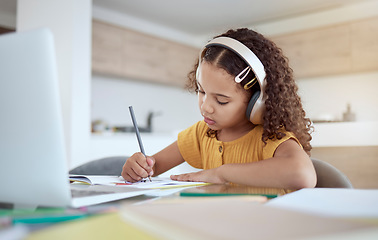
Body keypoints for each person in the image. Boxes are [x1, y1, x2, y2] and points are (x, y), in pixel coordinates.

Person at [121, 28, 317, 191]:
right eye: (201, 91)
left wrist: (221, 173)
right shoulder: (202, 134)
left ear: (258, 101)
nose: (205, 106)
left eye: (222, 100)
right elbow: (153, 166)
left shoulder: (271, 138)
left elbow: (303, 175)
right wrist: (139, 167)